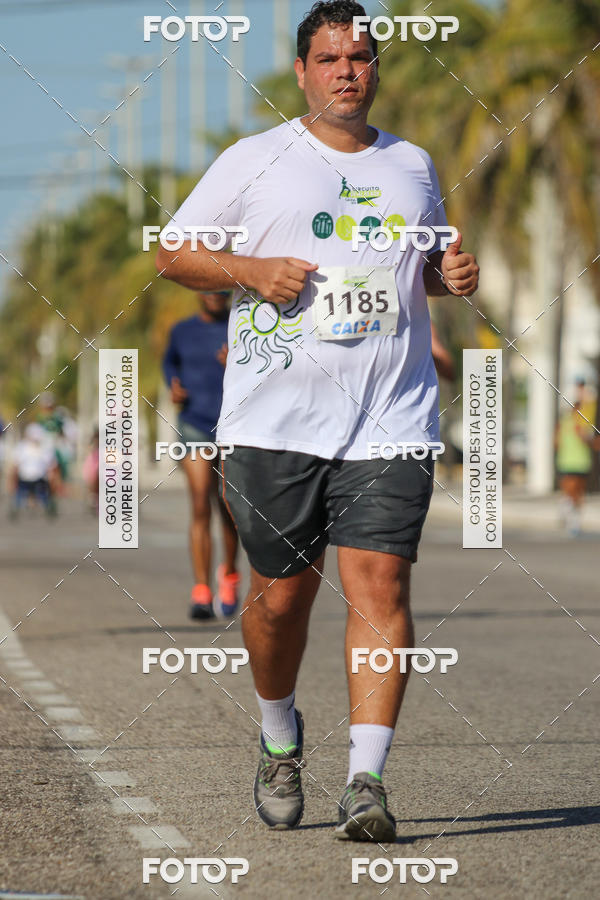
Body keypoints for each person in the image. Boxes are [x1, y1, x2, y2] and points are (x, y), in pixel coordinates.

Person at [156, 0, 479, 842]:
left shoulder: (413, 164)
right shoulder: (254, 159)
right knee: (278, 601)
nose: (348, 71)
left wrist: (452, 274)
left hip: (390, 417)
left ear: (377, 68)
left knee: (381, 584)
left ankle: (366, 780)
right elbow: (175, 252)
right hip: (275, 421)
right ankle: (277, 734)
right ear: (302, 72)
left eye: (361, 57)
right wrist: (252, 267)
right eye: (331, 58)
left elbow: (424, 274)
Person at [162, 291, 240, 619]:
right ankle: (201, 591)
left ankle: (230, 575)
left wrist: (237, 362)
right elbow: (169, 363)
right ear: (199, 292)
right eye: (210, 290)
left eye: (223, 290)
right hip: (194, 423)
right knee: (199, 504)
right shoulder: (182, 331)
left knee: (227, 505)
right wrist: (173, 386)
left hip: (233, 424)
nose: (216, 296)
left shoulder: (240, 326)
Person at [555, 400, 599, 536]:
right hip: (577, 462)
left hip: (568, 461)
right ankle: (573, 523)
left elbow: (555, 442)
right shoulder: (578, 423)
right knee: (575, 494)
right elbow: (584, 439)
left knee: (573, 493)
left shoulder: (563, 422)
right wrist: (595, 443)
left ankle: (568, 516)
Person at [9, 423, 58, 518]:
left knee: (43, 491)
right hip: (24, 478)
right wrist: (12, 480)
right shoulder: (22, 447)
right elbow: (15, 465)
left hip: (40, 478)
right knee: (20, 493)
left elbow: (52, 466)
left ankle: (47, 506)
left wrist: (53, 479)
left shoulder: (45, 448)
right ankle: (17, 507)